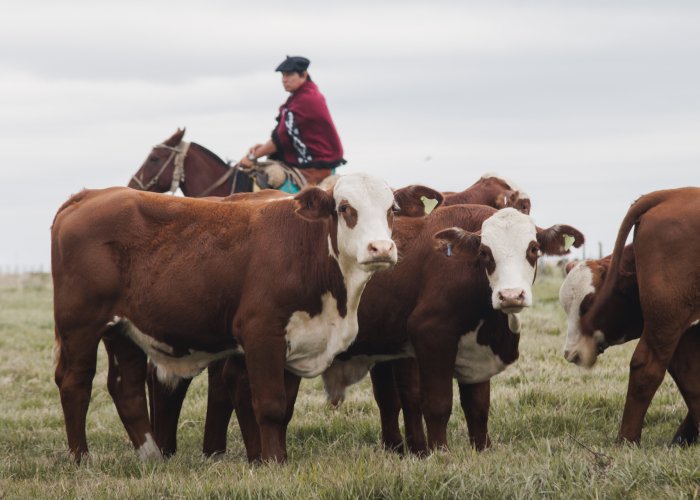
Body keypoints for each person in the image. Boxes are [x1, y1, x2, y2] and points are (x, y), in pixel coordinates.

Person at [239, 55, 345, 193]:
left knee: (274, 177)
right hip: (305, 162)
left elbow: (281, 138)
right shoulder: (299, 98)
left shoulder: (306, 99)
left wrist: (251, 157)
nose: (284, 79)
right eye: (283, 75)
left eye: (289, 74)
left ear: (303, 75)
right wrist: (263, 148)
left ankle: (289, 212)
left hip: (314, 167)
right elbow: (284, 135)